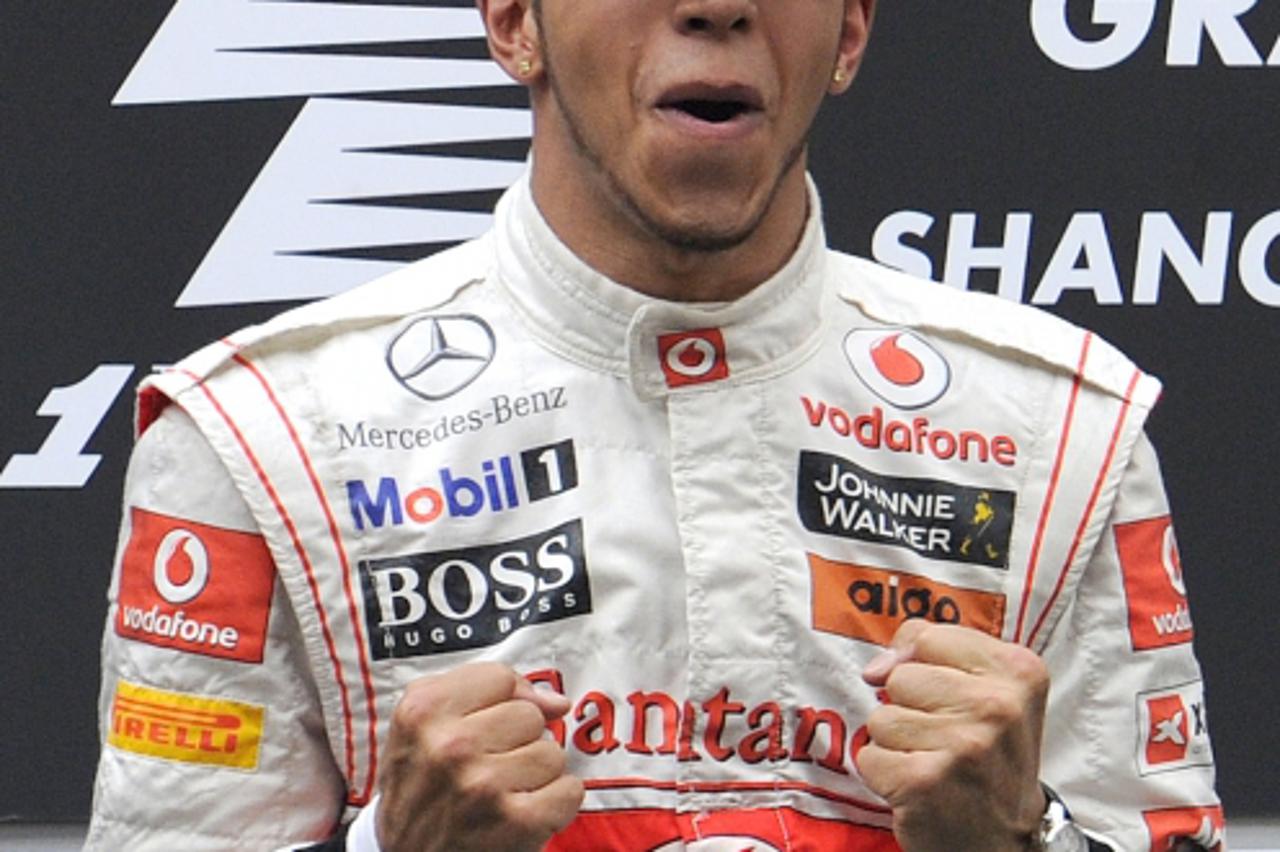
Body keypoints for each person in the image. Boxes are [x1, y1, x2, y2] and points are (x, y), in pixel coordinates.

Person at [87, 0, 1223, 849]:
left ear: (848, 33)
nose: (715, 6)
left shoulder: (1058, 432)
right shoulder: (260, 436)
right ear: (513, 22)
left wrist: (1021, 839)